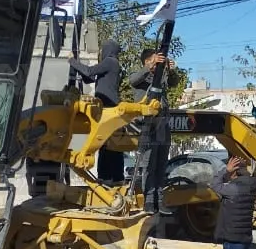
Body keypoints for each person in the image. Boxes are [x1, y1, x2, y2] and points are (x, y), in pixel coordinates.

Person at [128, 48, 177, 216]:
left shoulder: (161, 77)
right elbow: (132, 80)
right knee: (149, 164)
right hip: (147, 125)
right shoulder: (141, 76)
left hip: (162, 124)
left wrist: (171, 71)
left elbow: (173, 84)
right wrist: (150, 68)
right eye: (154, 61)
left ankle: (159, 199)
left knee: (161, 163)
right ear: (147, 61)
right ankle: (149, 201)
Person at [68, 40, 124, 184]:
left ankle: (108, 177)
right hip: (107, 108)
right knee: (107, 144)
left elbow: (90, 71)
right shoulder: (112, 64)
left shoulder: (110, 62)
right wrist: (79, 67)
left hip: (109, 108)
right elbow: (90, 77)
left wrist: (72, 61)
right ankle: (111, 177)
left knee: (108, 145)